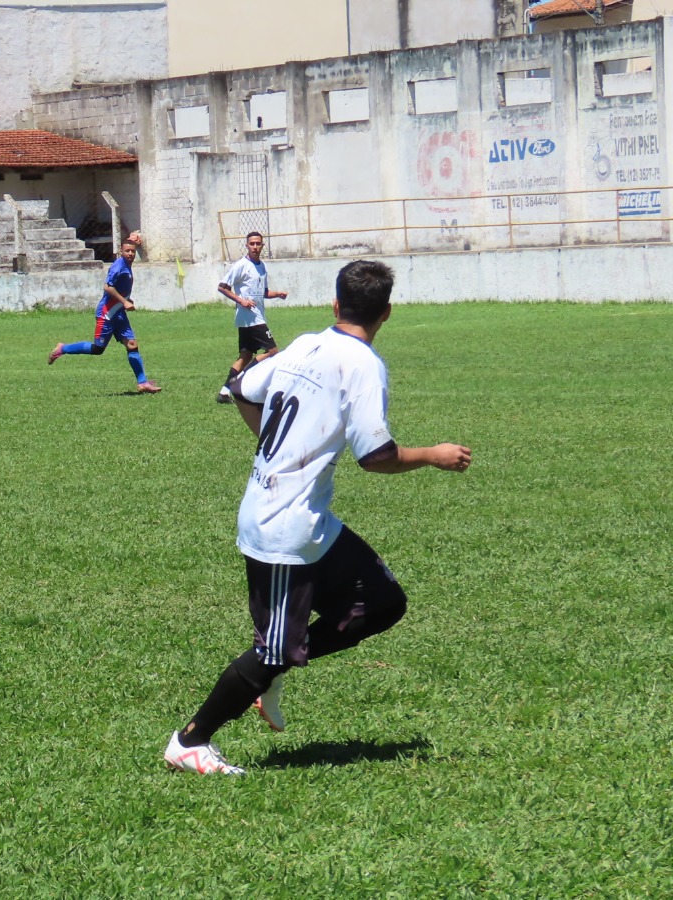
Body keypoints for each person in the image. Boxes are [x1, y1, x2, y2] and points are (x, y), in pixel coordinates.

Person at [163, 260, 472, 775]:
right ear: (387, 313)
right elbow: (376, 457)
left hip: (309, 522)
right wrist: (434, 455)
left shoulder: (306, 343)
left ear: (335, 304)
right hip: (284, 527)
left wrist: (275, 446)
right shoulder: (364, 365)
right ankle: (190, 741)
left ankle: (277, 665)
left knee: (383, 603)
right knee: (270, 653)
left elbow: (241, 387)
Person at [47, 239, 159, 393]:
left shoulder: (127, 265)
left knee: (132, 344)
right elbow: (108, 287)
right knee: (98, 348)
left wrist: (126, 300)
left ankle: (142, 383)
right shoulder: (118, 266)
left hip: (118, 314)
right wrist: (124, 302)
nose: (130, 254)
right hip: (106, 314)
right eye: (127, 251)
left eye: (133, 251)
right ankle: (63, 348)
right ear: (121, 251)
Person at [216, 231, 287, 403]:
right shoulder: (241, 265)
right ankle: (242, 378)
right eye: (252, 244)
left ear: (262, 245)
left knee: (246, 356)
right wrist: (241, 300)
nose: (255, 247)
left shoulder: (262, 266)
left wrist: (277, 294)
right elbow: (222, 287)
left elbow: (263, 292)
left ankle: (224, 392)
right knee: (273, 351)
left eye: (258, 243)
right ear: (247, 246)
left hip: (251, 318)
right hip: (251, 318)